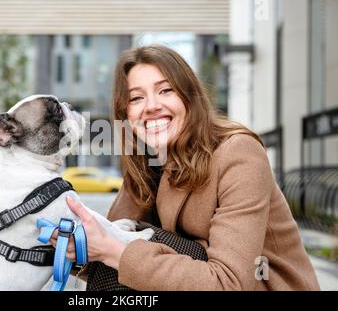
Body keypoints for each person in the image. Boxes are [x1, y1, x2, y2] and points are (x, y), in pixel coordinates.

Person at [50, 45, 320, 290]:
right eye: (136, 98)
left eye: (166, 90)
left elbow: (230, 283)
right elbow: (111, 258)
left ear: (190, 97)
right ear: (126, 116)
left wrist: (113, 250)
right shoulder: (146, 160)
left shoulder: (238, 153)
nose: (152, 106)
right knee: (125, 248)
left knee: (131, 247)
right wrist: (81, 246)